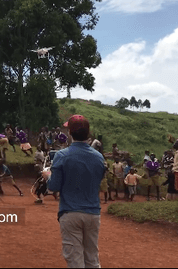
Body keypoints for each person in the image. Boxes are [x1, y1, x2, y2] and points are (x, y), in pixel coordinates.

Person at [46, 115, 106, 268]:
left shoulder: (62, 155)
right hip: (93, 213)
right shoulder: (99, 157)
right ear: (88, 133)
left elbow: (53, 186)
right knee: (92, 258)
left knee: (75, 259)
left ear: (70, 133)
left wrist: (48, 175)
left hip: (70, 212)